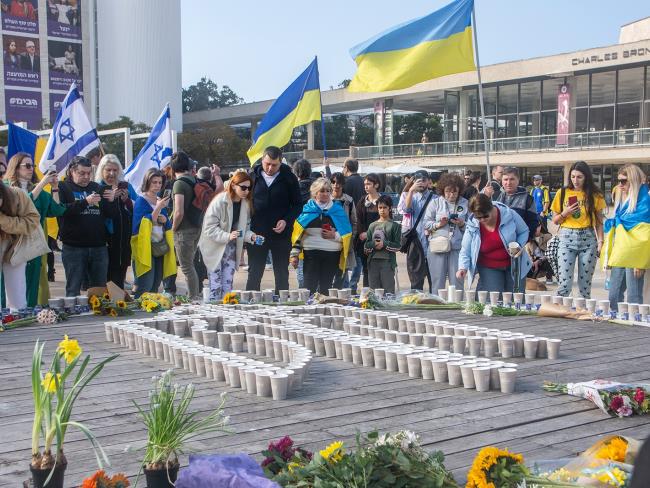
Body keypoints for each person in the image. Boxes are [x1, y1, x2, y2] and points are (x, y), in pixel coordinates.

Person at [4, 152, 66, 306]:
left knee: (33, 280)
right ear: (16, 168)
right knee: (11, 283)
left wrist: (55, 188)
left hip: (33, 243)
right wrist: (42, 183)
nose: (32, 169)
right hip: (11, 243)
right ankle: (9, 315)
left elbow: (57, 210)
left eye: (33, 166)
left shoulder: (38, 190)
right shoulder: (6, 188)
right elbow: (22, 205)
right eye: (27, 165)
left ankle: (28, 312)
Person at [58, 156, 118, 297]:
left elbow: (110, 215)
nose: (86, 177)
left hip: (98, 246)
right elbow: (61, 211)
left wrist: (111, 201)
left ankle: (98, 315)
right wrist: (85, 202)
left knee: (99, 289)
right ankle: (74, 315)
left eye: (88, 173)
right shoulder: (63, 187)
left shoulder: (97, 187)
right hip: (73, 247)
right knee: (73, 288)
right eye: (81, 173)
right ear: (72, 171)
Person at [246, 146, 302, 293]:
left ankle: (282, 303)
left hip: (281, 234)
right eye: (267, 164)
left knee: (281, 271)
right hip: (257, 233)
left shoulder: (289, 178)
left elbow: (297, 205)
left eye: (274, 165)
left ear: (280, 163)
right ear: (262, 160)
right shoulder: (252, 176)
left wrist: (286, 220)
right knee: (255, 270)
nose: (270, 168)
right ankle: (250, 300)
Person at [550, 161, 605, 299]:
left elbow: (599, 222)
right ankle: (561, 312)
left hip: (588, 238)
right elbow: (555, 220)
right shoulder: (562, 192)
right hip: (566, 237)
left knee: (585, 285)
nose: (575, 180)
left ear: (586, 177)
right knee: (564, 283)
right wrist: (566, 212)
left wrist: (600, 242)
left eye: (579, 177)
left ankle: (582, 313)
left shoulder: (595, 194)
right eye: (573, 176)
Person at [457, 194, 531, 294]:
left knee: (516, 299)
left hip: (514, 264)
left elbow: (524, 230)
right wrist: (463, 267)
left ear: (492, 208)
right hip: (488, 266)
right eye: (478, 217)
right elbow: (465, 249)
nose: (482, 220)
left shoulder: (509, 214)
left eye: (485, 216)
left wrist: (518, 245)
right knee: (493, 300)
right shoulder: (472, 223)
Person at [199, 171, 256, 301]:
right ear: (233, 185)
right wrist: (228, 235)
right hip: (213, 245)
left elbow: (243, 229)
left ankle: (227, 311)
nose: (246, 191)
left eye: (249, 188)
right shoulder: (220, 200)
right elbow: (209, 228)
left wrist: (251, 236)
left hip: (230, 245)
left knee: (228, 281)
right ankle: (213, 312)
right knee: (215, 281)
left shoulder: (245, 204)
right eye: (243, 187)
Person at [290, 178, 352, 295]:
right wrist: (294, 254)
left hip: (332, 254)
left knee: (326, 288)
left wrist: (335, 235)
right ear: (315, 193)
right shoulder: (307, 210)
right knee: (309, 288)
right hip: (311, 254)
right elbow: (298, 234)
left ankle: (327, 312)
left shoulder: (338, 210)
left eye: (328, 191)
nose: (325, 194)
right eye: (322, 191)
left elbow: (347, 233)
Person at [604, 164, 649, 310]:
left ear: (634, 180)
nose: (620, 185)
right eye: (619, 181)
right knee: (613, 295)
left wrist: (640, 262)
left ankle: (634, 327)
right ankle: (618, 323)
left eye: (623, 181)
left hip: (635, 254)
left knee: (633, 296)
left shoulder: (645, 201)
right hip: (621, 251)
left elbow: (644, 233)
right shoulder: (622, 197)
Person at [131, 168, 176, 297]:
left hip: (159, 245)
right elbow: (140, 225)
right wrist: (158, 209)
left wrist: (164, 220)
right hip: (145, 247)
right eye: (154, 182)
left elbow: (166, 223)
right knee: (145, 283)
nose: (157, 185)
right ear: (147, 182)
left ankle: (151, 309)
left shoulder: (158, 200)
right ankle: (140, 313)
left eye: (159, 183)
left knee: (156, 283)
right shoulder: (141, 200)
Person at [423, 172, 468, 293]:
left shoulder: (465, 203)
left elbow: (472, 228)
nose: (451, 194)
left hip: (457, 248)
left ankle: (457, 306)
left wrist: (462, 224)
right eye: (448, 191)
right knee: (437, 282)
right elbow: (425, 223)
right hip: (437, 248)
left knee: (457, 282)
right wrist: (439, 224)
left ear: (459, 191)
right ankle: (437, 308)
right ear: (443, 190)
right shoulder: (435, 203)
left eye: (455, 191)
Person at [0, 181, 40, 311]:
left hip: (13, 248)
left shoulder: (15, 193)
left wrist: (4, 221)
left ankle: (18, 321)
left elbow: (32, 220)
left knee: (18, 301)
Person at [95, 154, 133, 289]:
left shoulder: (126, 186)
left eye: (115, 170)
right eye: (108, 170)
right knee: (106, 276)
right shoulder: (98, 187)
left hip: (124, 239)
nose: (112, 174)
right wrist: (110, 199)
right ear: (102, 171)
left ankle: (118, 301)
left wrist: (127, 201)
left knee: (120, 273)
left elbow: (137, 207)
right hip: (105, 240)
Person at [171, 151, 202, 299]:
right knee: (190, 265)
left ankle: (193, 298)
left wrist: (173, 228)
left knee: (187, 267)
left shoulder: (179, 184)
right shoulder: (193, 180)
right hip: (197, 228)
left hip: (184, 231)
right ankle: (194, 296)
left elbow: (179, 212)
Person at [400, 170, 435, 291]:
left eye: (423, 180)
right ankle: (416, 304)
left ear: (429, 182)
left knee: (433, 280)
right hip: (416, 242)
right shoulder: (412, 197)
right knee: (416, 281)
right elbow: (406, 210)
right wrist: (410, 190)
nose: (421, 183)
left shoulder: (436, 199)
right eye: (418, 180)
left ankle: (434, 303)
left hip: (432, 242)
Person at [364, 194, 401, 294]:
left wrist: (384, 244)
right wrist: (373, 244)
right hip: (373, 262)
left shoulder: (395, 226)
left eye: (385, 207)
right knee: (374, 291)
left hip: (388, 262)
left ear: (390, 208)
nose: (382, 210)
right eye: (380, 207)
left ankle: (389, 309)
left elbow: (398, 246)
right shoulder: (372, 225)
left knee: (388, 291)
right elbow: (366, 246)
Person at [330, 172, 357, 289]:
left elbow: (354, 222)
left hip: (344, 241)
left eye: (339, 183)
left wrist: (351, 238)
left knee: (342, 273)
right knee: (327, 272)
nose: (336, 185)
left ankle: (337, 294)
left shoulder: (349, 201)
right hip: (328, 240)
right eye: (334, 182)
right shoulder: (326, 199)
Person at [356, 173, 382, 289]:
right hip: (364, 241)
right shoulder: (362, 201)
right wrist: (362, 233)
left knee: (378, 268)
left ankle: (380, 294)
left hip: (379, 240)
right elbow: (358, 219)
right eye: (365, 184)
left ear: (376, 185)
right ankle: (367, 294)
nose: (366, 186)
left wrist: (371, 234)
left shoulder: (383, 201)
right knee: (366, 269)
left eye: (369, 184)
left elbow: (385, 221)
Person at [497, 166, 539, 238]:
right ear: (502, 181)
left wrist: (523, 240)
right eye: (505, 179)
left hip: (519, 244)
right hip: (500, 241)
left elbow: (533, 223)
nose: (508, 183)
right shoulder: (496, 197)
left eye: (512, 179)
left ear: (518, 180)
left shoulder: (527, 199)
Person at [292, 158, 314, 289]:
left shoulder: (295, 188)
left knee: (300, 263)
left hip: (299, 228)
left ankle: (304, 291)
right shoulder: (316, 187)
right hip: (316, 228)